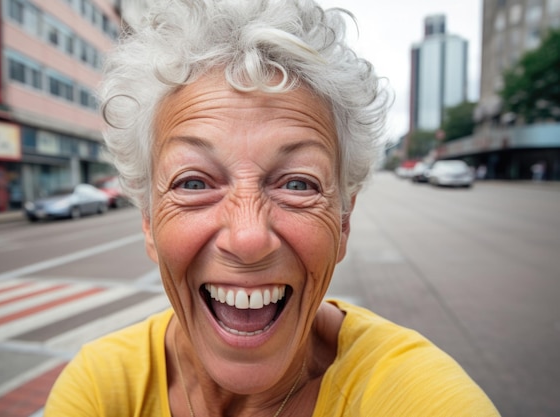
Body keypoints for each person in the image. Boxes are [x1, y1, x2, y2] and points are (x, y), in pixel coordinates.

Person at [45, 1, 500, 416]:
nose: (248, 240)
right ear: (148, 222)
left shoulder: (416, 397)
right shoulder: (101, 388)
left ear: (343, 223)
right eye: (194, 182)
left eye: (298, 183)